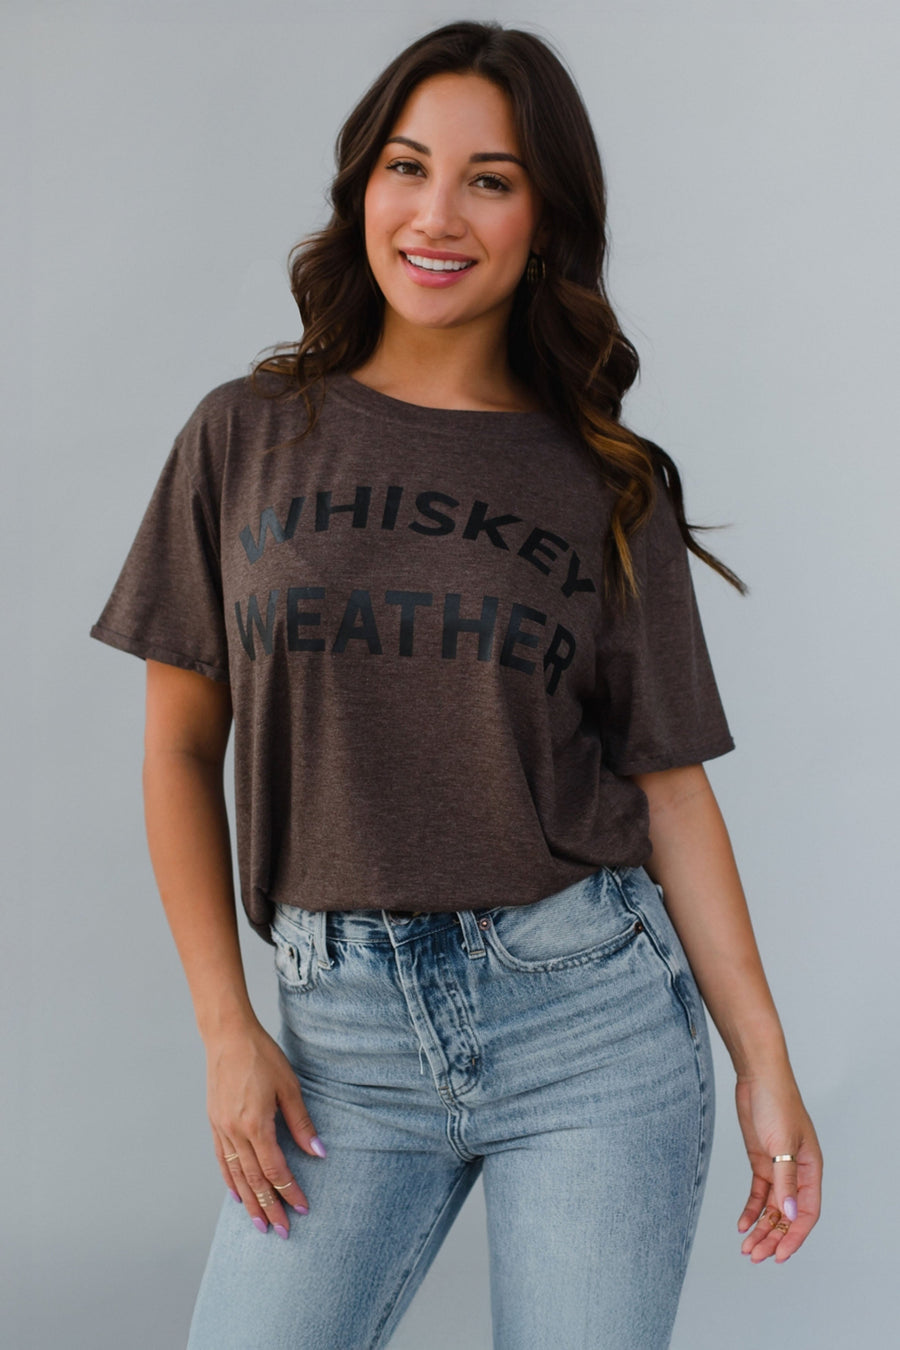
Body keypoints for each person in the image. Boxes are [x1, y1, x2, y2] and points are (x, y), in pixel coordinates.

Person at [90, 19, 822, 1350]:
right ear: (362, 185)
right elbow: (178, 749)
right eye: (407, 166)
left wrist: (768, 1063)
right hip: (337, 1050)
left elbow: (669, 787)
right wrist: (223, 1027)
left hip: (590, 1023)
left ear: (544, 219)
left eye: (489, 178)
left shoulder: (607, 481)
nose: (438, 212)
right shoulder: (245, 435)